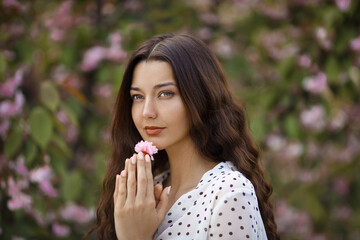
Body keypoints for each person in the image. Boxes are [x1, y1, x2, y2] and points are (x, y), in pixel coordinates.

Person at [86, 33, 279, 240]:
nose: (147, 112)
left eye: (165, 94)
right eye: (137, 97)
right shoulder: (145, 193)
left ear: (200, 97)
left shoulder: (229, 194)